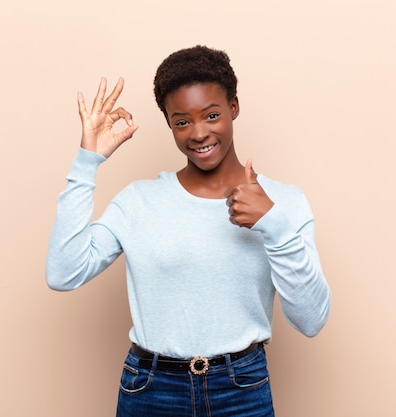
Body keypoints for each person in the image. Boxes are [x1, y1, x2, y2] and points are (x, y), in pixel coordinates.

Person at [46, 45, 331, 417]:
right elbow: (63, 273)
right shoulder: (139, 201)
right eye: (182, 121)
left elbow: (312, 320)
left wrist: (273, 225)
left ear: (234, 107)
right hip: (151, 389)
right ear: (169, 124)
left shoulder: (284, 203)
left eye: (211, 114)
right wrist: (87, 162)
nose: (198, 133)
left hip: (241, 389)